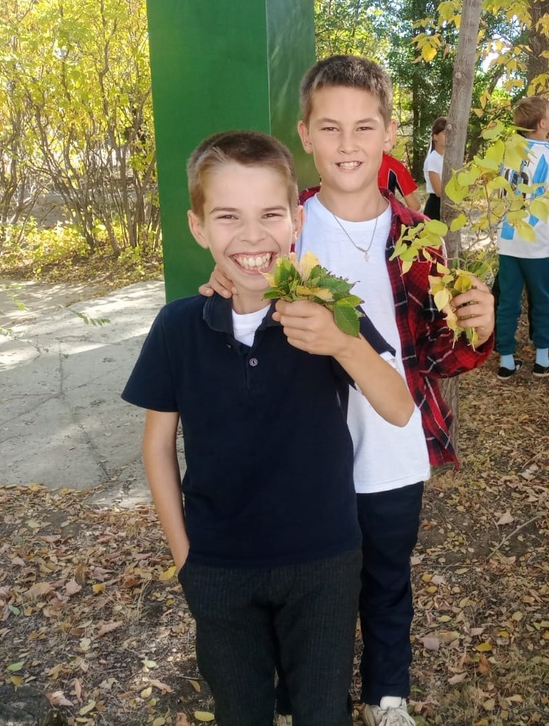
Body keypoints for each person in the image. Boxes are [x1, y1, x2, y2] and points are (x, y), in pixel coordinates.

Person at [203, 56, 496, 726]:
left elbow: (440, 357)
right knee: (306, 589)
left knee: (387, 578)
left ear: (388, 133)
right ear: (304, 134)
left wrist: (475, 329)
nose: (347, 145)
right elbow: (241, 290)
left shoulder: (420, 240)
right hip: (305, 455)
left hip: (393, 447)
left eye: (363, 128)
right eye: (329, 128)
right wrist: (223, 285)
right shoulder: (285, 227)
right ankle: (306, 699)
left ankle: (386, 697)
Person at [123, 130, 413, 726]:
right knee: (241, 708)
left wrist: (343, 344)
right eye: (228, 216)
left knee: (321, 709)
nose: (252, 237)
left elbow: (398, 407)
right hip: (219, 567)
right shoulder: (179, 327)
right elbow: (157, 446)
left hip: (324, 566)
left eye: (269, 215)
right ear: (199, 227)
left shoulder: (328, 310)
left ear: (295, 222)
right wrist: (186, 557)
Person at [495, 96, 549, 379]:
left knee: (508, 301)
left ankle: (506, 361)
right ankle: (541, 360)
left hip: (508, 238)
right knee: (543, 299)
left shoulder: (509, 150)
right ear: (542, 124)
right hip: (537, 242)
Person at [421, 116, 448, 220]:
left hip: (446, 204)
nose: (449, 137)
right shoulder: (433, 159)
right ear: (435, 137)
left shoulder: (446, 158)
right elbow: (438, 191)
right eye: (445, 134)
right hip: (436, 206)